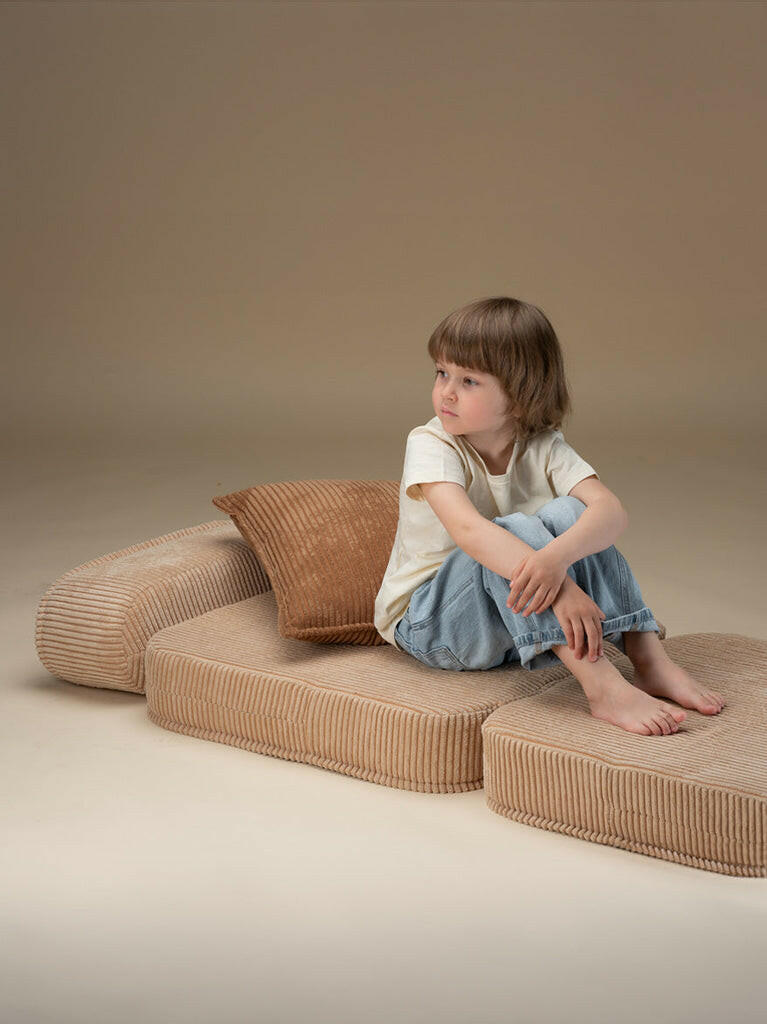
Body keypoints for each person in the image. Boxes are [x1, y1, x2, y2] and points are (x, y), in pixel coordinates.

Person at [373, 296, 725, 736]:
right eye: (442, 373)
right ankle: (602, 687)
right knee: (513, 530)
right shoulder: (431, 443)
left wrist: (556, 560)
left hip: (510, 622)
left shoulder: (543, 444)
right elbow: (469, 530)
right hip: (432, 626)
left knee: (574, 512)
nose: (447, 392)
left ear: (520, 399)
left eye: (469, 381)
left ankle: (648, 657)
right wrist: (561, 590)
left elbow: (611, 512)